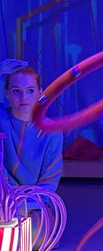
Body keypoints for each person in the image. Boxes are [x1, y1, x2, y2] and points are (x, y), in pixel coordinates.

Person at [0, 61, 63, 192]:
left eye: (30, 90)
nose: (23, 97)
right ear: (6, 93)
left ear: (40, 92)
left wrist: (31, 201)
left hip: (35, 199)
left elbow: (49, 180)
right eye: (16, 91)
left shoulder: (52, 130)